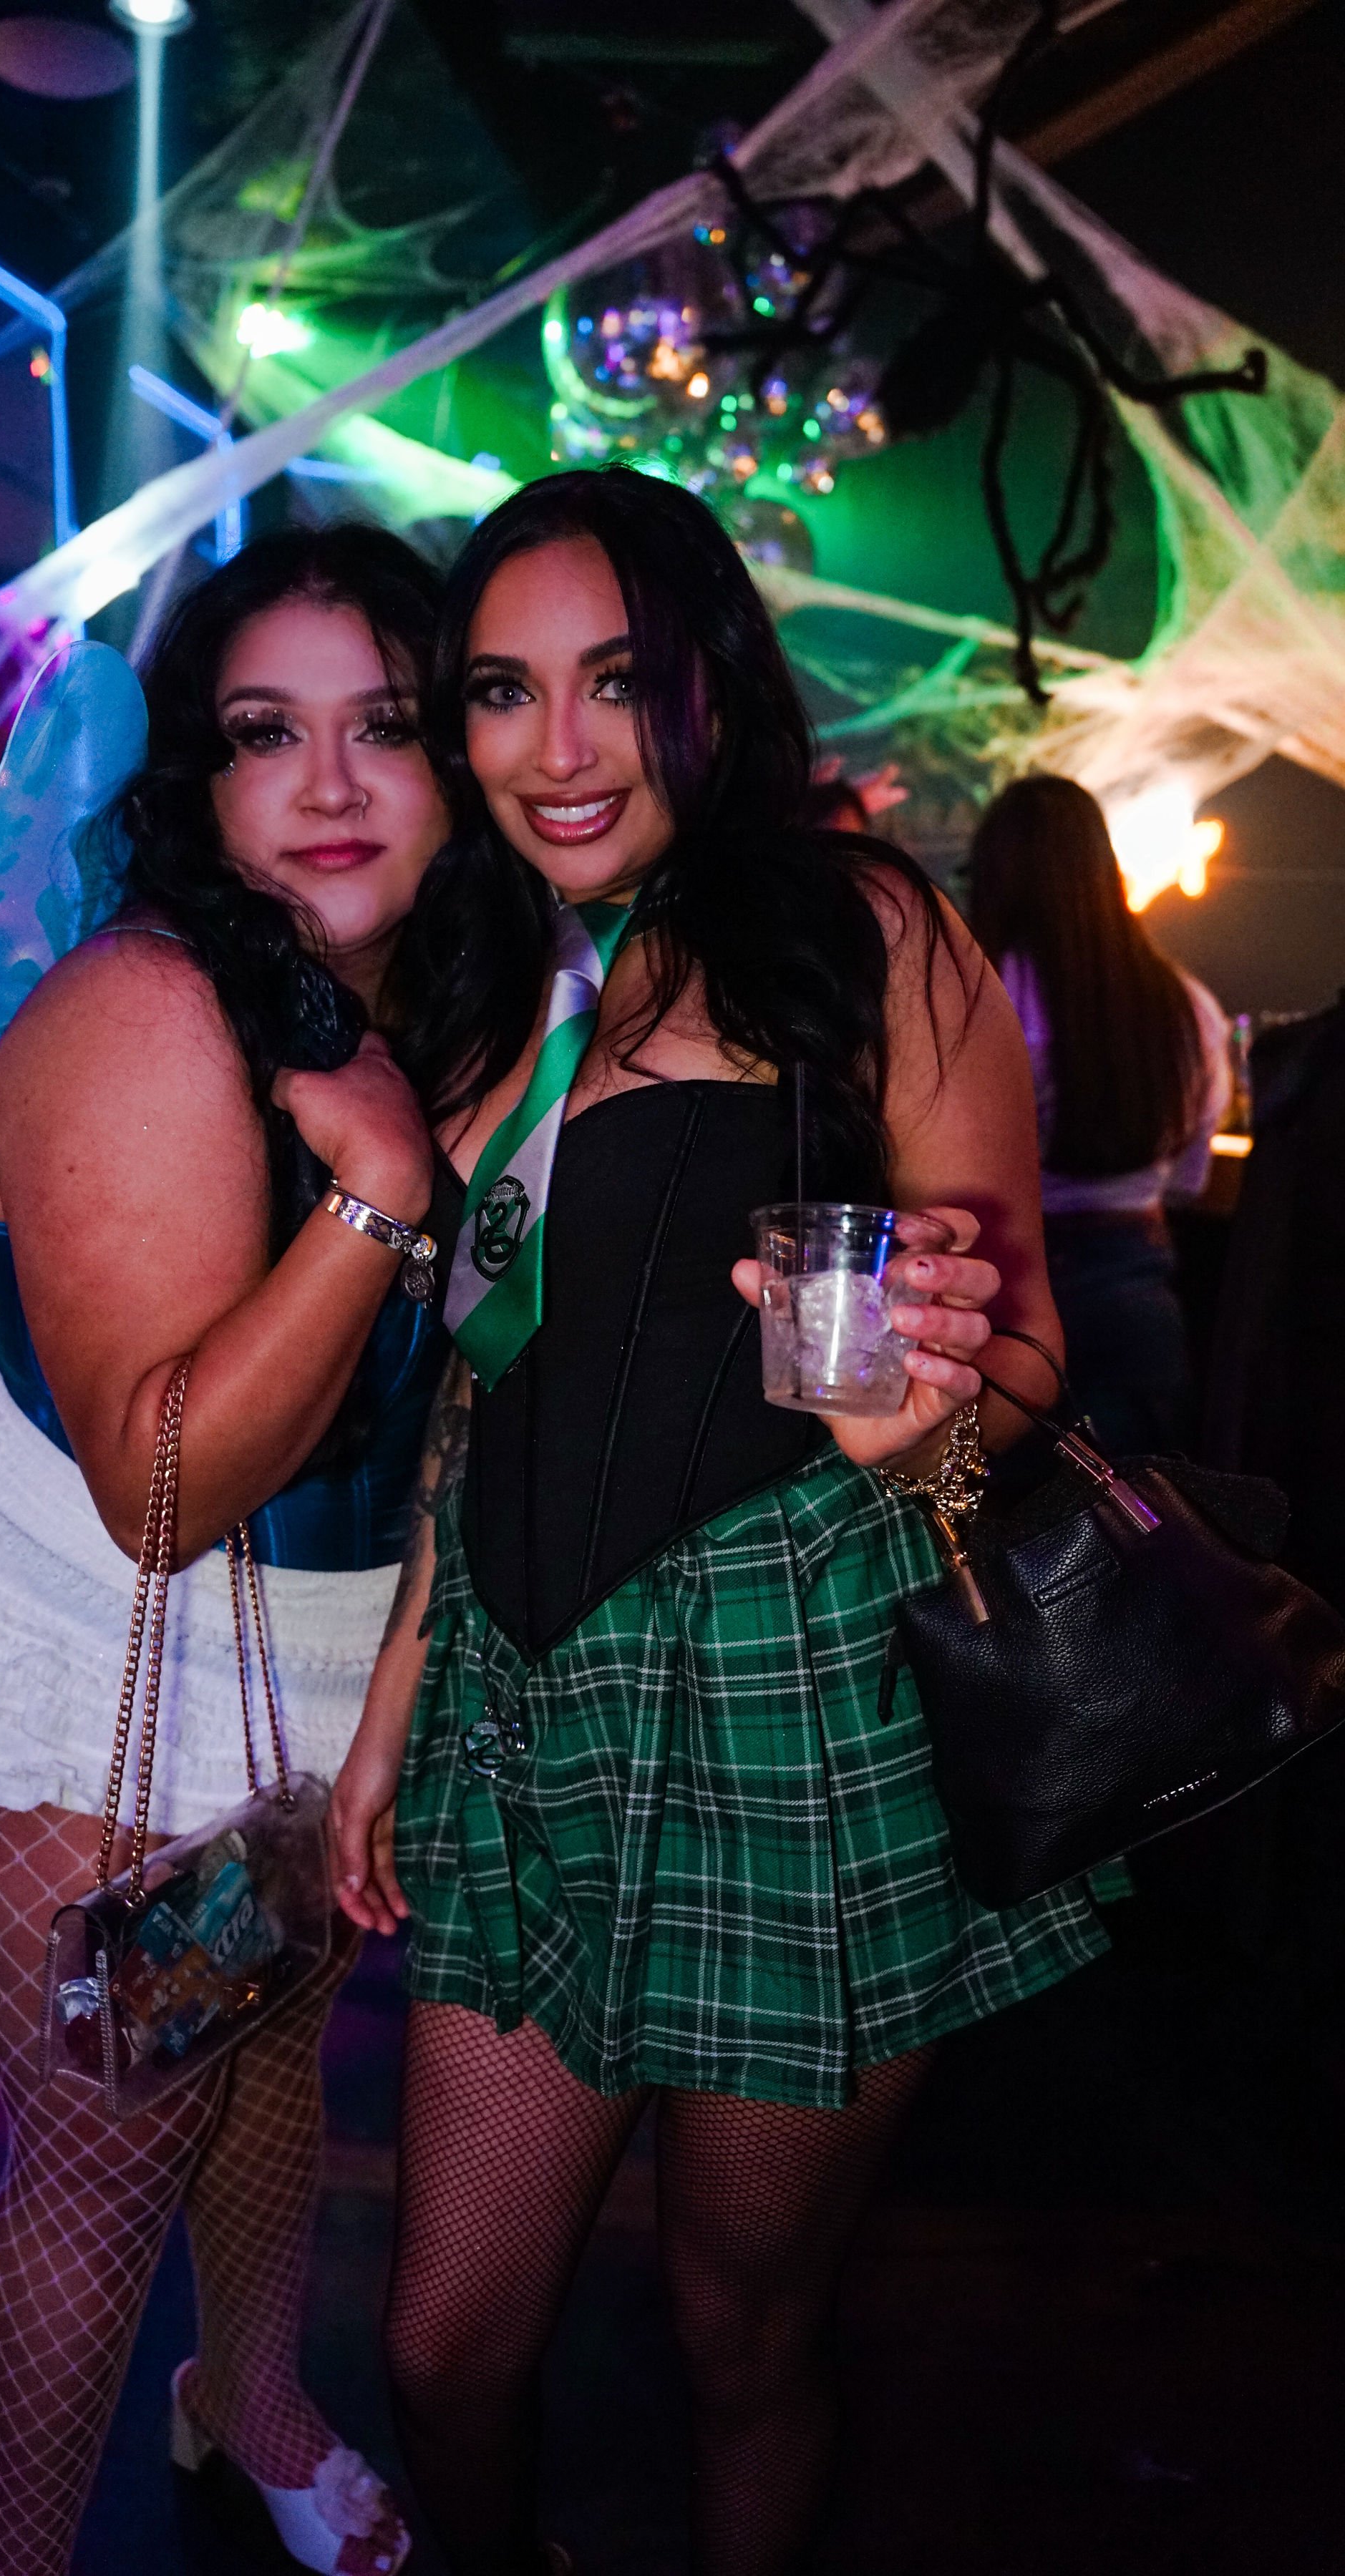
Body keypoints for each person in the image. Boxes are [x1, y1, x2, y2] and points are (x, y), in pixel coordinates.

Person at [329, 468, 1123, 2576]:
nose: (553, 750)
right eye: (499, 693)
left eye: (611, 683)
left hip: (796, 1709)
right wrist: (400, 1688)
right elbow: (485, 1376)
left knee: (738, 2329)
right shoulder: (485, 981)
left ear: (706, 685)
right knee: (439, 2347)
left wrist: (908, 1424)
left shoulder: (873, 935)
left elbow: (1020, 1346)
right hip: (516, 1704)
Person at [0, 529, 450, 2576]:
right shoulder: (155, 1010)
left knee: (255, 2057)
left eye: (390, 728)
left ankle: (245, 2399)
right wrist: (375, 1198)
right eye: (268, 735)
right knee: (101, 2152)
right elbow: (161, 1494)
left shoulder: (433, 990)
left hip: (322, 1635)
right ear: (190, 774)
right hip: (82, 1612)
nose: (332, 788)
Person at [970, 774, 1232, 1455]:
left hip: (1001, 1296)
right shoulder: (1186, 1003)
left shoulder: (976, 995)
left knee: (1009, 1539)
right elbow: (1190, 1180)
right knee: (1144, 1533)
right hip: (1135, 1288)